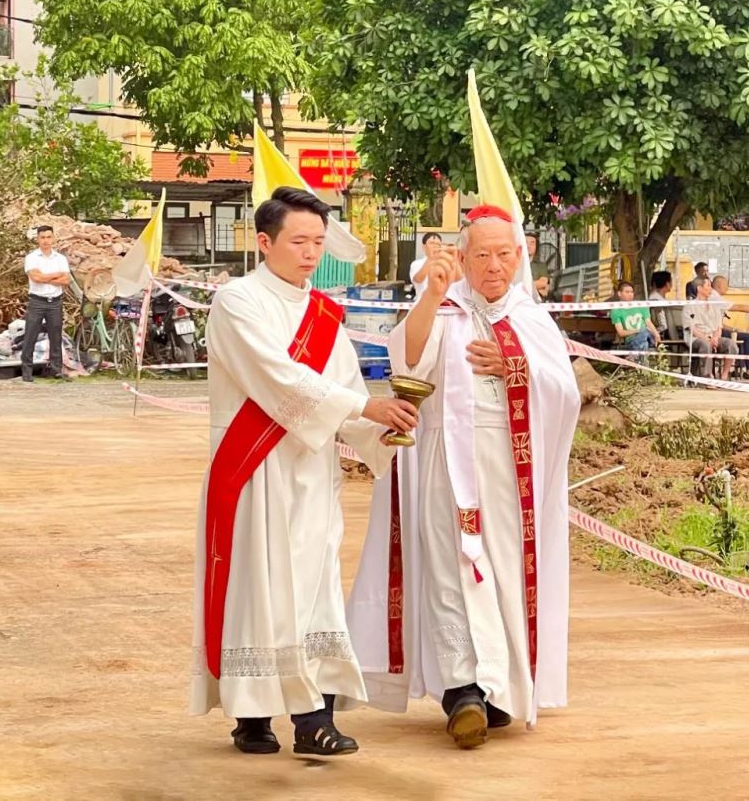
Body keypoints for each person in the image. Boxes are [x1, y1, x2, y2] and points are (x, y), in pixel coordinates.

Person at [346, 92, 578, 751]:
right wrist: (431, 295)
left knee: (500, 568)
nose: (496, 266)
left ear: (520, 255)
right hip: (446, 464)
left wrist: (513, 366)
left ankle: (498, 689)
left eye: (506, 255)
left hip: (509, 471)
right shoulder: (445, 308)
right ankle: (462, 691)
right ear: (465, 257)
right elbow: (406, 357)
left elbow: (564, 393)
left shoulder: (529, 320)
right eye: (483, 256)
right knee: (449, 571)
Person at [190, 187, 418, 757]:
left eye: (318, 241)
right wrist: (363, 409)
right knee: (256, 588)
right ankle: (254, 712)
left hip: (310, 472)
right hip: (254, 470)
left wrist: (377, 428)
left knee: (311, 589)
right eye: (299, 241)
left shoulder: (324, 314)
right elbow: (278, 378)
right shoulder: (236, 302)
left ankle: (310, 717)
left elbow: (345, 388)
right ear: (264, 243)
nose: (310, 252)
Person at [21, 224, 70, 383]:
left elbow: (65, 280)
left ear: (53, 238)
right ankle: (27, 370)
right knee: (30, 335)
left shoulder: (61, 259)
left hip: (55, 302)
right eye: (42, 237)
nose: (46, 241)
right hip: (37, 301)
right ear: (38, 239)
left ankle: (56, 369)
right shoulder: (32, 258)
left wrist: (46, 277)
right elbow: (36, 278)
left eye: (49, 237)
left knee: (55, 336)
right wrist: (55, 275)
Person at [711, 275, 749, 380]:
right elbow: (739, 307)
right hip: (713, 332)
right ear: (720, 285)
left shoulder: (713, 297)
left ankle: (740, 367)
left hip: (715, 329)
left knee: (739, 334)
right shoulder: (715, 298)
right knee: (747, 337)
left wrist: (733, 329)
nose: (728, 288)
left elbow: (717, 322)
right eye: (726, 285)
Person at [683, 277, 737, 379]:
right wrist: (708, 339)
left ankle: (724, 374)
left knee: (731, 344)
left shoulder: (714, 306)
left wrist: (715, 338)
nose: (711, 289)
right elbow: (692, 329)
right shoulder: (689, 306)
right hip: (695, 338)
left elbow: (719, 327)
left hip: (713, 337)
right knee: (705, 345)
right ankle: (708, 376)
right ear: (699, 288)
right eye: (708, 286)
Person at [608, 281, 658, 354]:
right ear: (619, 293)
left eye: (631, 292)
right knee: (644, 334)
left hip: (647, 336)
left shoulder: (640, 305)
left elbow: (648, 322)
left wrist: (656, 334)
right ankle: (642, 359)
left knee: (647, 334)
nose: (630, 294)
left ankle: (640, 359)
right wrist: (638, 330)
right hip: (632, 340)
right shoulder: (616, 310)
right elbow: (621, 333)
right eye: (627, 292)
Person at [409, 233, 443, 298]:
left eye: (438, 244)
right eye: (431, 243)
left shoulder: (444, 263)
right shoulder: (416, 264)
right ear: (424, 246)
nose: (435, 246)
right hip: (422, 303)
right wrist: (431, 258)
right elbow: (418, 279)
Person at [649, 270, 679, 343]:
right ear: (667, 283)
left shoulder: (659, 298)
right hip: (663, 331)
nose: (672, 284)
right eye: (671, 281)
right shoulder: (655, 299)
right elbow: (662, 324)